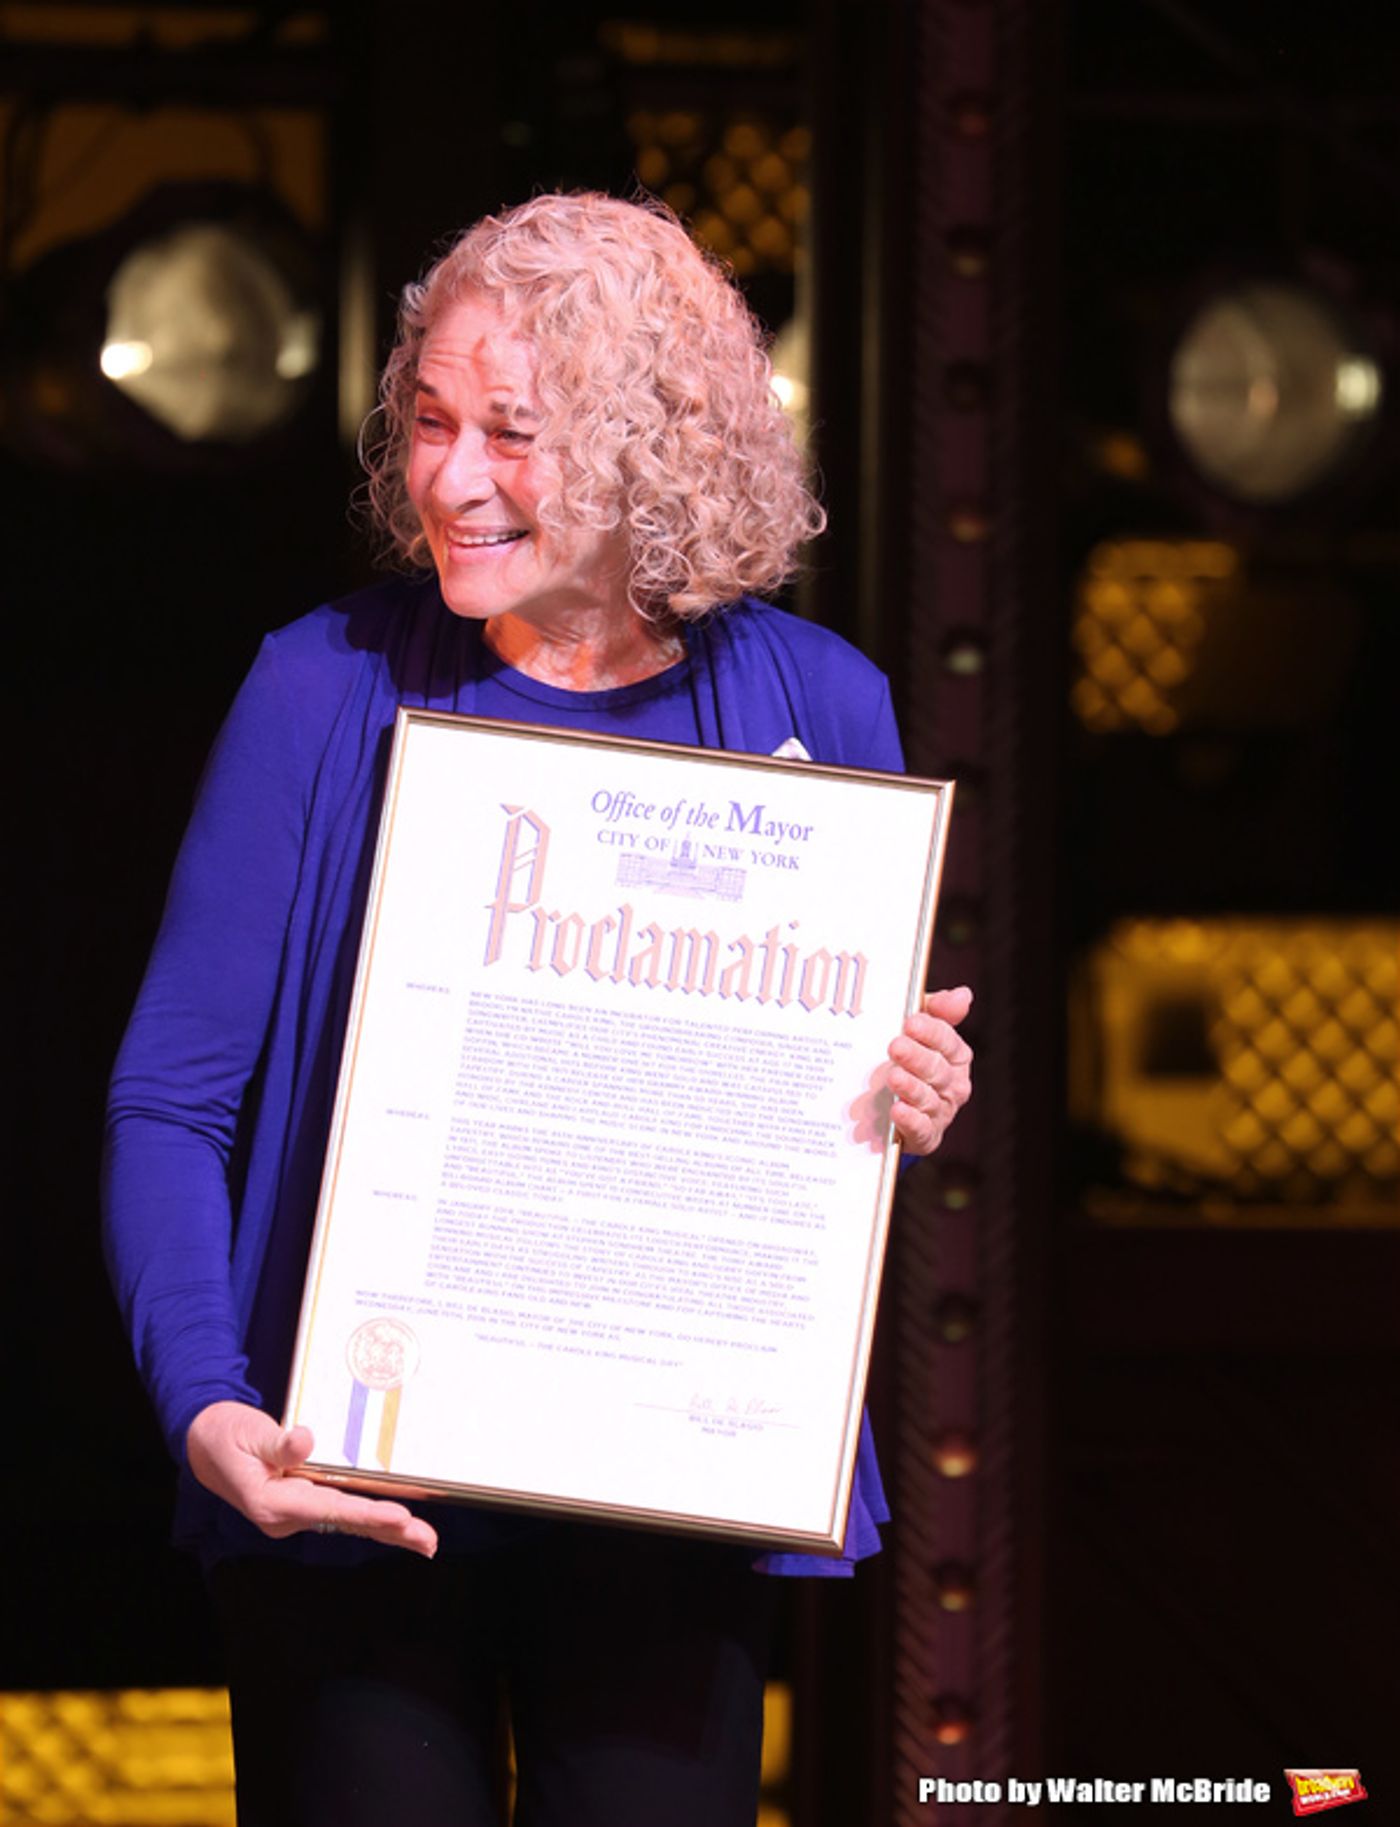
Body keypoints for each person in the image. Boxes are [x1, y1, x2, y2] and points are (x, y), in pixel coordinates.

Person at [103, 191, 973, 1827]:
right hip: (349, 1496)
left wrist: (896, 1103)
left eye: (514, 432)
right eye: (431, 421)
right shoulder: (319, 685)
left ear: (659, 448)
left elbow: (791, 1147)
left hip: (666, 1498)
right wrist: (208, 1402)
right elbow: (170, 1101)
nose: (451, 478)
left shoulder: (819, 704)